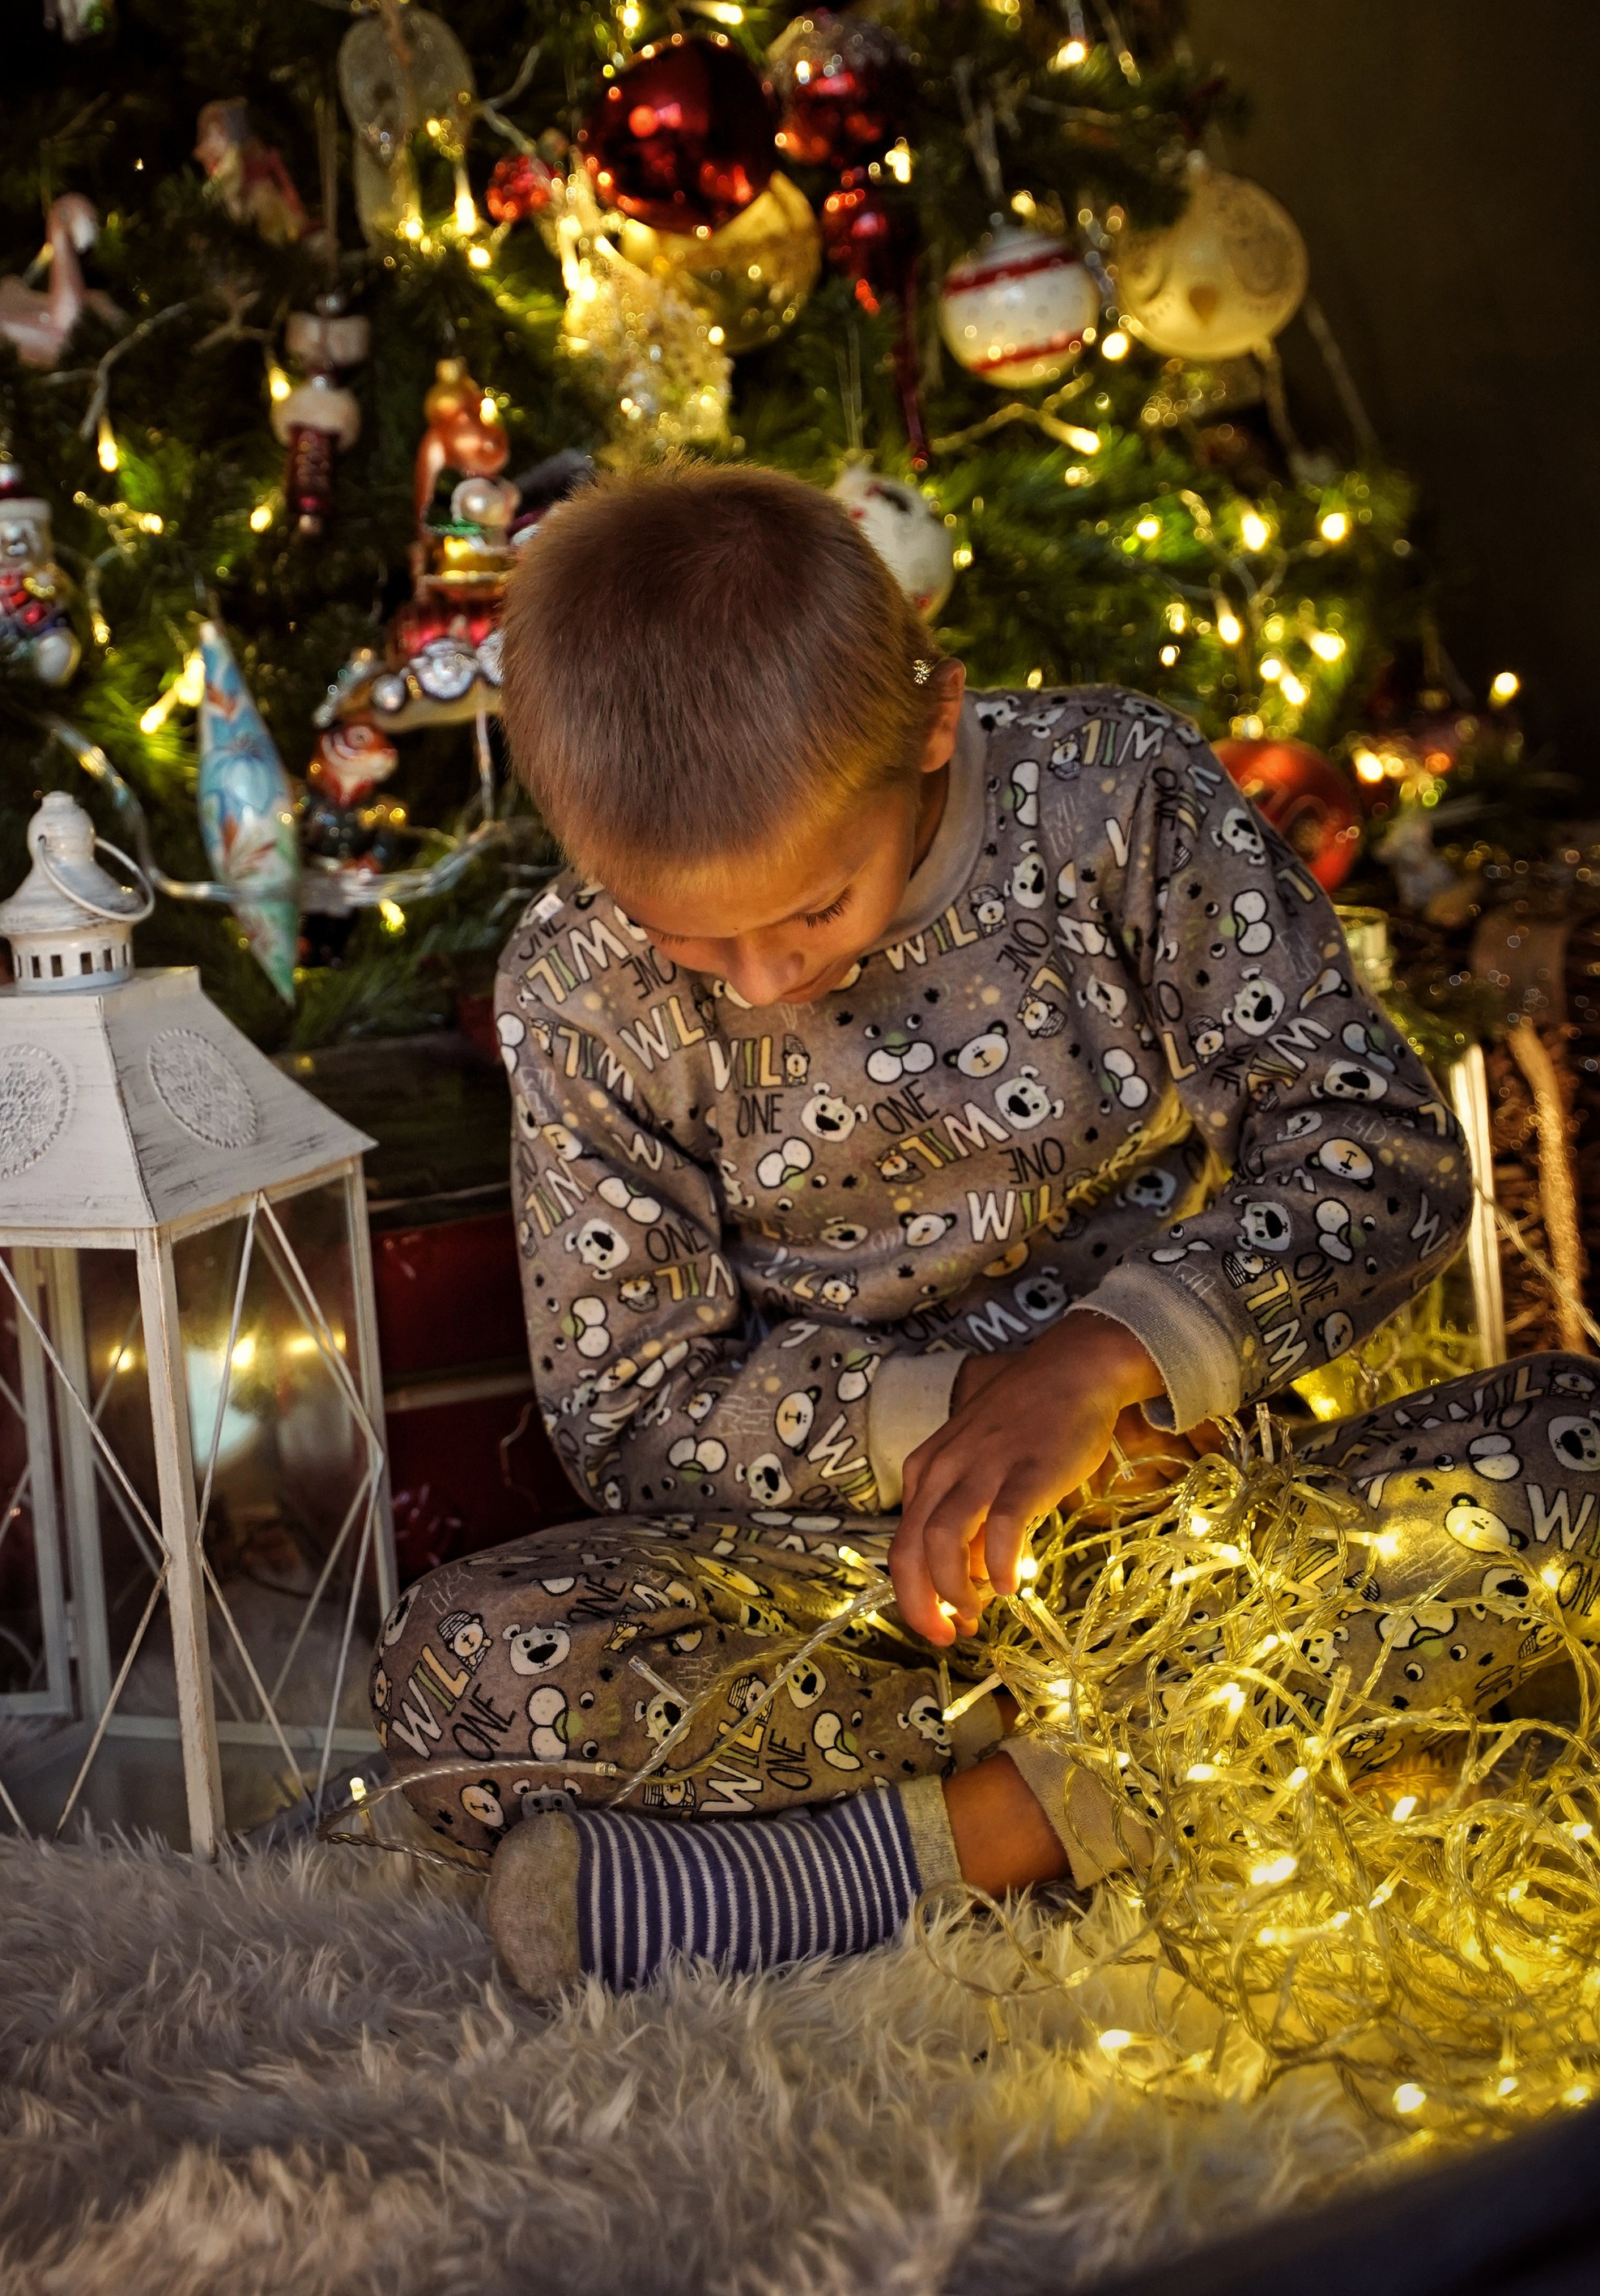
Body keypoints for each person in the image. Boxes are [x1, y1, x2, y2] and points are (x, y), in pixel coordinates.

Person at [372, 466, 1577, 1999]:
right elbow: (633, 1406)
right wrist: (947, 1423)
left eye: (811, 908)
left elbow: (1375, 1153)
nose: (755, 984)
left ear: (932, 720)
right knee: (469, 1672)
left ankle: (910, 1857)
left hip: (1197, 1513)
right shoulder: (579, 984)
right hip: (856, 1591)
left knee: (1571, 1455)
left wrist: (1110, 1366)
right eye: (689, 936)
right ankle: (1203, 1760)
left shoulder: (1113, 800)